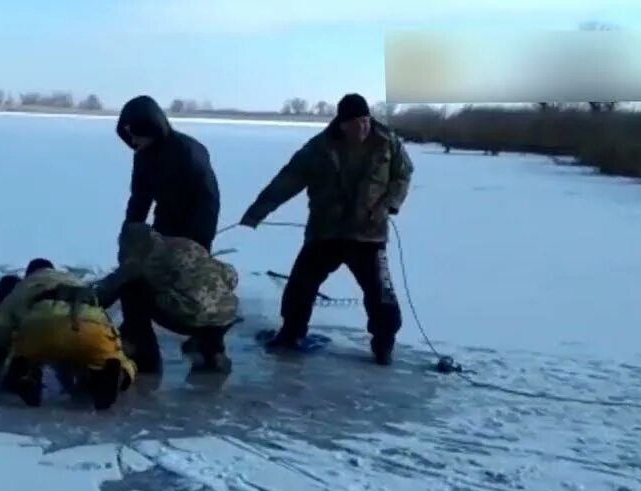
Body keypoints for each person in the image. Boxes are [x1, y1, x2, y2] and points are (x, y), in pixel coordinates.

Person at [238, 92, 414, 365]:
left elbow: (403, 174)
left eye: (366, 120)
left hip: (369, 234)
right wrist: (258, 211)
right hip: (326, 232)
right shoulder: (319, 148)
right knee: (300, 286)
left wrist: (390, 203)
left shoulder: (388, 142)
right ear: (341, 123)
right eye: (355, 122)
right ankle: (291, 333)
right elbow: (288, 180)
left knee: (381, 294)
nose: (363, 127)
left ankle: (384, 344)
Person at [0, 258, 137, 410]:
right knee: (117, 359)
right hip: (90, 324)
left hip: (43, 324)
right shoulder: (74, 280)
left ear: (29, 274)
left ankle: (25, 375)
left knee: (19, 353)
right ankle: (116, 377)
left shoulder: (24, 286)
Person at [91, 222, 240, 375]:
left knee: (132, 290)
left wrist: (89, 300)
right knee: (205, 301)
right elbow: (230, 275)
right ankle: (213, 351)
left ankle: (144, 355)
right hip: (226, 314)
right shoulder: (186, 244)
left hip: (192, 317)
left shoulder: (144, 257)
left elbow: (112, 286)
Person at [116, 95, 222, 252]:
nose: (133, 140)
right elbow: (140, 197)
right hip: (165, 220)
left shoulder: (188, 152)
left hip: (197, 224)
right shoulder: (143, 155)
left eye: (135, 133)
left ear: (150, 127)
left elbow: (207, 199)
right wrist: (129, 234)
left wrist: (199, 244)